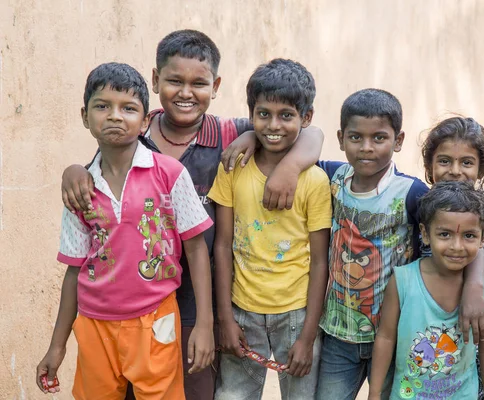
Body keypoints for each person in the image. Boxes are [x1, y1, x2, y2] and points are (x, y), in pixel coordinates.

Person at [59, 30, 324, 399]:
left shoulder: (234, 131)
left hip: (207, 299)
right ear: (155, 81)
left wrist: (289, 165)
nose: (186, 92)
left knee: (195, 387)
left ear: (215, 86)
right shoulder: (132, 127)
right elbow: (98, 173)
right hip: (138, 298)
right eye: (174, 81)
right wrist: (73, 169)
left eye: (198, 83)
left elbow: (310, 134)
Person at [35, 62, 214, 399]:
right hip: (93, 324)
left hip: (155, 318)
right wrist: (56, 347)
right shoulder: (80, 189)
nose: (115, 116)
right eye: (102, 106)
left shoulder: (169, 174)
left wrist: (204, 325)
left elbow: (196, 249)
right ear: (85, 116)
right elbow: (74, 271)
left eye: (128, 108)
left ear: (145, 121)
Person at [302, 89, 484, 399]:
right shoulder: (332, 177)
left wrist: (474, 287)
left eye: (379, 138)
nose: (366, 148)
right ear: (341, 138)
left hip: (398, 334)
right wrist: (247, 140)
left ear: (398, 141)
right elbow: (304, 141)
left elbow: (462, 237)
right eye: (356, 137)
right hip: (339, 335)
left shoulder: (412, 193)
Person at [208, 58, 332, 400]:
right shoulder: (234, 167)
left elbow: (321, 261)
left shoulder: (314, 181)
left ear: (306, 118)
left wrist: (307, 338)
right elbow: (222, 246)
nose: (273, 124)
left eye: (286, 115)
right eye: (263, 114)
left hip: (296, 312)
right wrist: (225, 319)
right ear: (251, 114)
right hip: (241, 308)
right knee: (232, 395)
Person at [368, 180, 484, 400]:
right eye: (445, 234)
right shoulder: (403, 281)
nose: (456, 246)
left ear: (483, 237)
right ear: (426, 234)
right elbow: (385, 338)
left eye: (469, 236)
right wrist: (374, 394)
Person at [420, 116, 484, 399]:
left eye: (467, 163)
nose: (455, 171)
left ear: (482, 169)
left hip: (474, 345)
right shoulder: (416, 218)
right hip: (421, 347)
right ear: (429, 167)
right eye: (445, 161)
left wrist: (474, 289)